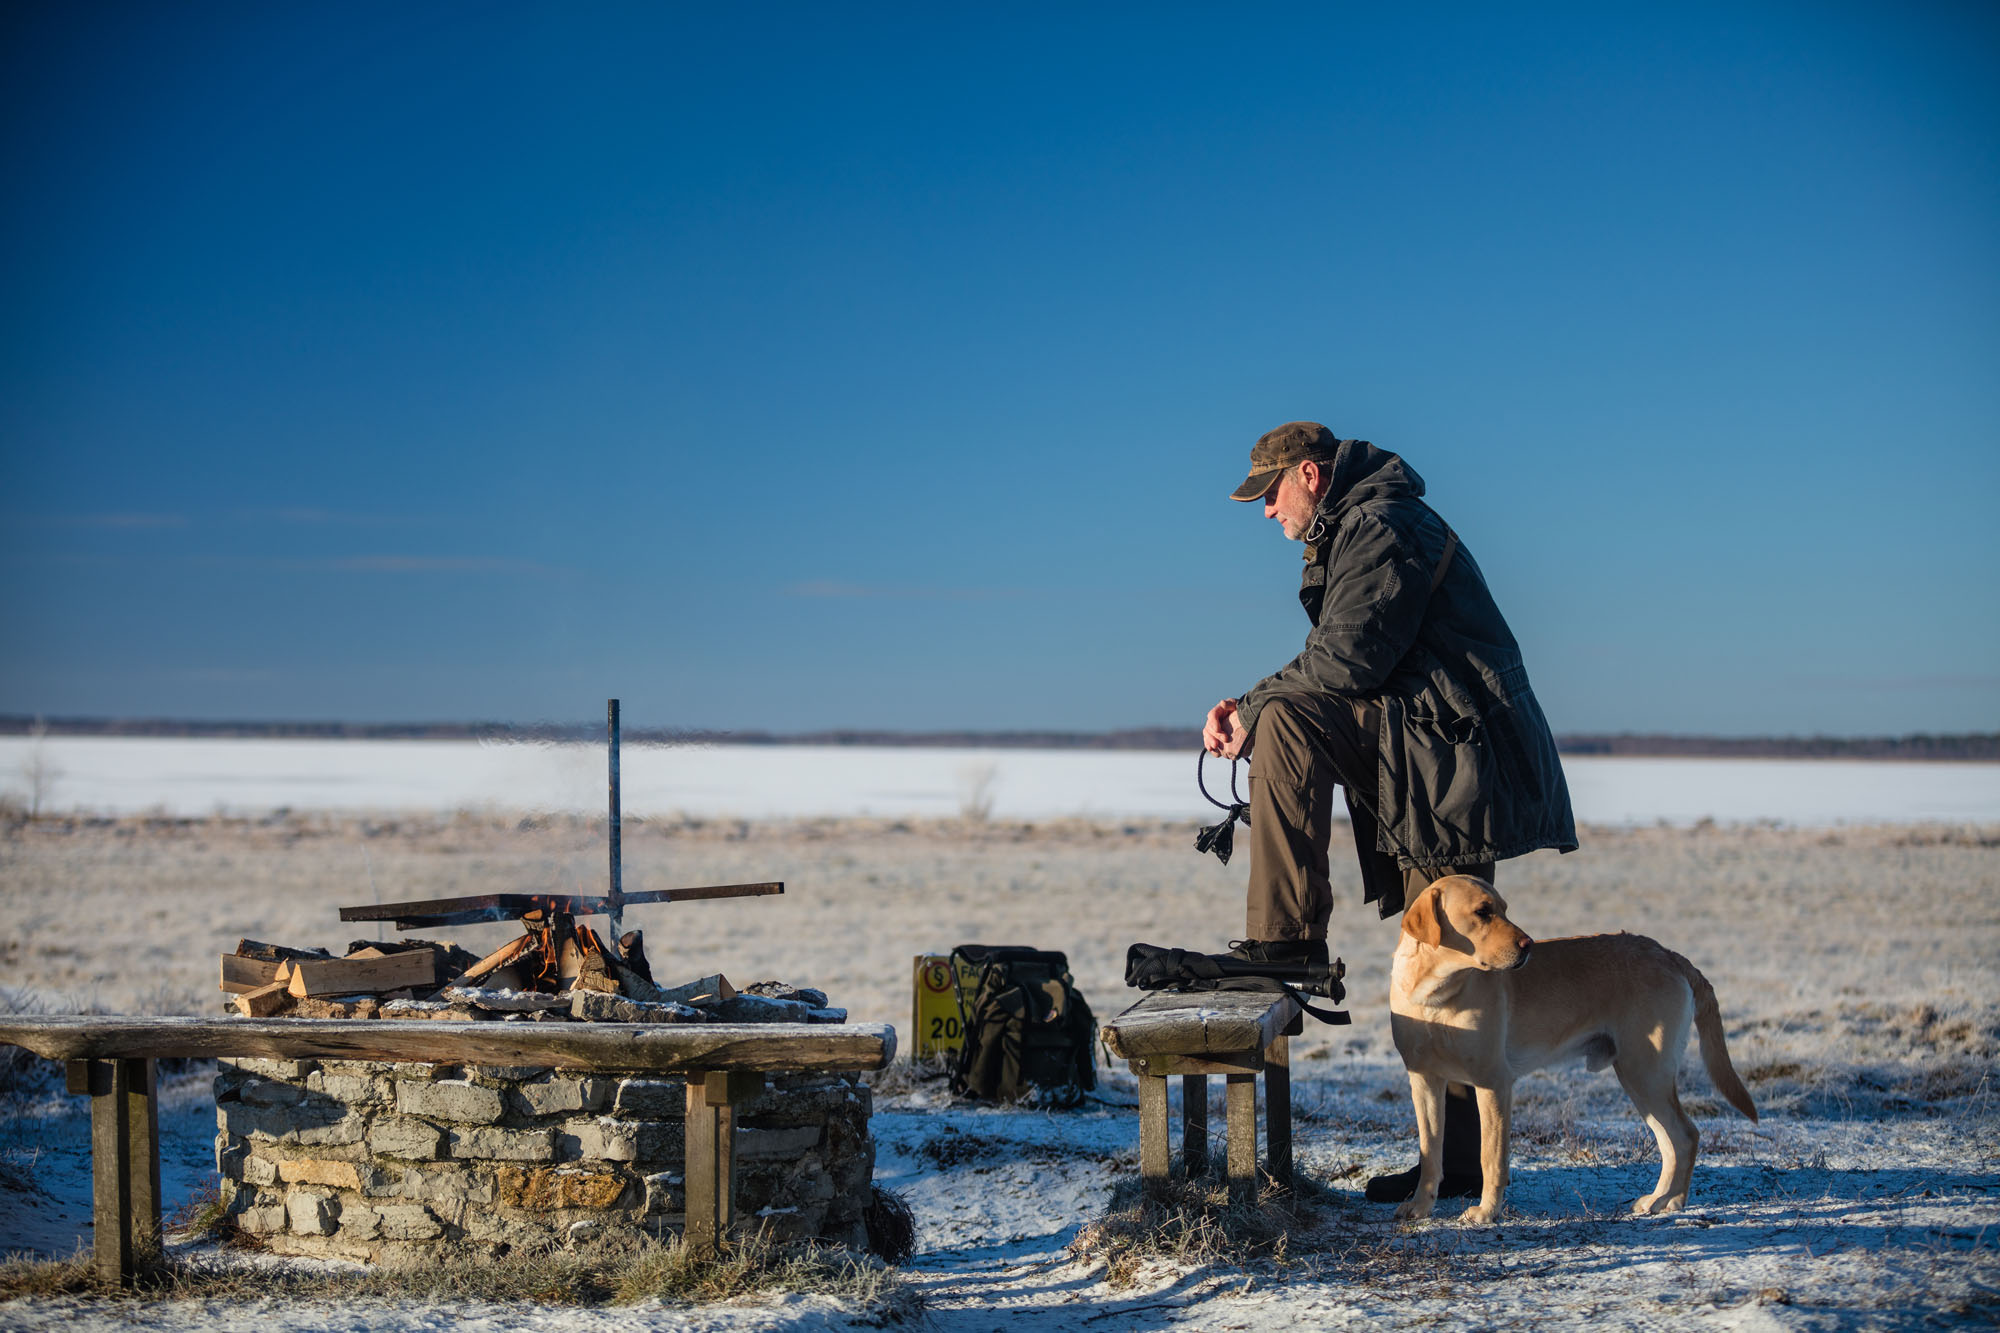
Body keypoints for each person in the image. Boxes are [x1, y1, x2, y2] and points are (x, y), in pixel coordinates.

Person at [1201, 420, 1577, 1202]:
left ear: (1309, 474)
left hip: (1455, 756)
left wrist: (1255, 704)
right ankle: (1451, 1163)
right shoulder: (1358, 523)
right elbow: (1349, 661)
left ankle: (1285, 943)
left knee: (1461, 962)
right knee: (1435, 963)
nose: (1267, 513)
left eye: (1270, 494)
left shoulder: (1378, 523)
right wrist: (1256, 704)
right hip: (1422, 745)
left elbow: (1348, 660)